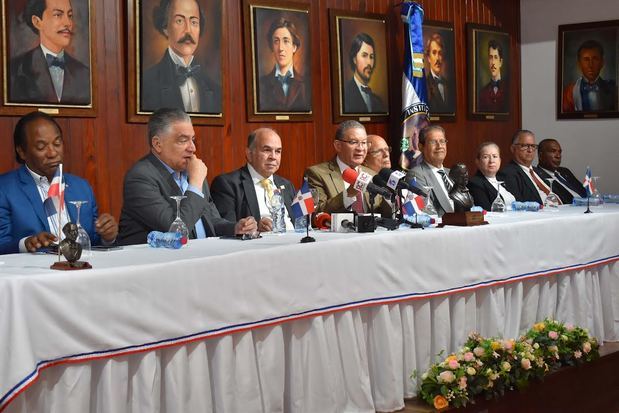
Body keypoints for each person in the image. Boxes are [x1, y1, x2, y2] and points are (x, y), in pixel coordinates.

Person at [118, 108, 256, 245]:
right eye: (183, 140)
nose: (192, 148)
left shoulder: (192, 172)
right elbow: (174, 231)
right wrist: (195, 183)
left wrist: (236, 228)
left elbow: (210, 221)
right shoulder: (140, 177)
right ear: (157, 144)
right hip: (155, 262)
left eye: (193, 140)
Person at [0, 111, 118, 255]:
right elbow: (2, 244)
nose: (52, 153)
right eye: (41, 147)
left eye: (57, 143)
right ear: (22, 152)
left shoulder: (81, 187)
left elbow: (92, 241)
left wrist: (107, 236)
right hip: (35, 273)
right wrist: (26, 243)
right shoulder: (5, 189)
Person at [142, 0, 221, 114]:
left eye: (194, 22)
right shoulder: (146, 84)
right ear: (165, 27)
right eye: (179, 21)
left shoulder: (215, 88)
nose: (188, 30)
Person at [211, 128, 296, 233]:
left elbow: (300, 222)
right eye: (267, 150)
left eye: (278, 151)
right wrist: (255, 228)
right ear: (249, 154)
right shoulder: (228, 184)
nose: (273, 157)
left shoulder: (286, 185)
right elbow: (226, 227)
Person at [9, 0, 90, 104]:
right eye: (58, 15)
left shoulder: (84, 73)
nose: (68, 23)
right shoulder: (15, 70)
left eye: (70, 15)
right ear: (37, 22)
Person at [305, 120, 392, 216]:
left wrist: (393, 199)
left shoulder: (372, 174)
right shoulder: (316, 174)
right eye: (353, 142)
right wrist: (349, 194)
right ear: (338, 146)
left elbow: (385, 213)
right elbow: (315, 214)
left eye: (364, 143)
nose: (360, 148)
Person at [258, 17, 310, 112]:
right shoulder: (261, 84)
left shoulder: (306, 84)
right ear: (272, 47)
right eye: (276, 41)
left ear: (294, 47)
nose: (281, 48)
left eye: (286, 41)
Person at [405, 125, 454, 217]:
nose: (439, 146)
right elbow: (425, 211)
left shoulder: (452, 173)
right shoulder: (416, 174)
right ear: (421, 147)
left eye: (442, 141)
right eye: (433, 142)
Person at [562, 40, 617, 112]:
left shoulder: (613, 89)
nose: (590, 65)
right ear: (579, 64)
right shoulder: (569, 93)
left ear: (602, 63)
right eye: (586, 59)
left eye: (595, 59)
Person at [343, 33, 386, 114]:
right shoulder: (344, 95)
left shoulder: (378, 102)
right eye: (364, 55)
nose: (369, 62)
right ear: (354, 59)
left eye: (371, 57)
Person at [500, 130, 547, 204]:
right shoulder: (508, 173)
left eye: (533, 146)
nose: (530, 150)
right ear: (513, 148)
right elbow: (520, 204)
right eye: (525, 146)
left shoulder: (539, 171)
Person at [534, 139, 586, 204]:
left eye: (559, 152)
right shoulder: (536, 175)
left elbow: (584, 191)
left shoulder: (565, 171)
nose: (558, 156)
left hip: (587, 206)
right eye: (553, 151)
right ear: (541, 155)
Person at [467, 141, 516, 211]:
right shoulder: (475, 183)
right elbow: (486, 211)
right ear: (477, 161)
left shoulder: (506, 179)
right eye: (486, 157)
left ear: (500, 160)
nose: (491, 161)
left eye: (495, 156)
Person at [425, 33, 452, 113]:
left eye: (440, 53)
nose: (437, 58)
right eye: (434, 53)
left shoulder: (449, 85)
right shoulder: (424, 86)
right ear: (428, 58)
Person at [478, 39, 507, 113]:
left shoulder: (509, 90)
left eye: (496, 57)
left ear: (501, 62)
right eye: (491, 57)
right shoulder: (482, 94)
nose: (493, 62)